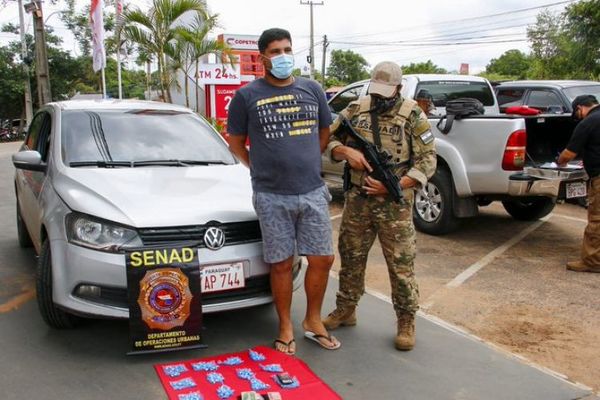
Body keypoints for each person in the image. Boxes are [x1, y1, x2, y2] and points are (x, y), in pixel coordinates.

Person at [226, 28, 340, 354]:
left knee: (323, 259)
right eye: (275, 51)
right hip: (271, 195)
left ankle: (313, 320)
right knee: (280, 264)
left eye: (287, 49)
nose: (282, 56)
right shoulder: (246, 96)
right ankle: (286, 325)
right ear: (262, 57)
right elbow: (235, 143)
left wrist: (303, 163)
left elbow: (323, 133)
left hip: (313, 191)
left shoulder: (312, 89)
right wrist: (259, 169)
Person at [322, 61, 437, 351]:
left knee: (401, 265)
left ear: (398, 88)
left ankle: (406, 320)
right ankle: (346, 309)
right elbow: (327, 139)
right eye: (377, 91)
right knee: (350, 256)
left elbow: (427, 159)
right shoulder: (355, 109)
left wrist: (397, 184)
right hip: (358, 200)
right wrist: (345, 151)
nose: (380, 97)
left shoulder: (413, 115)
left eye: (387, 92)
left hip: (393, 206)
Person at [557, 94, 600, 273]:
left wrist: (559, 161)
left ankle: (592, 261)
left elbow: (568, 154)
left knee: (597, 220)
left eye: (577, 113)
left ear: (580, 108)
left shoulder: (589, 122)